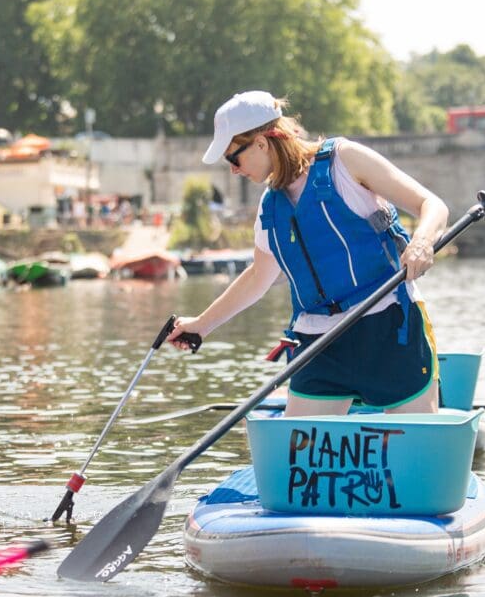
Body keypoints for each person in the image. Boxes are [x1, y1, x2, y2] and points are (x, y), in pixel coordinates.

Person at [168, 91, 449, 416]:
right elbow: (258, 278)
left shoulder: (346, 161)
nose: (233, 170)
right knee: (299, 458)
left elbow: (432, 205)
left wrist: (422, 242)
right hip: (318, 341)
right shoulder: (270, 208)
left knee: (414, 453)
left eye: (234, 158)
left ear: (261, 143)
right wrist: (201, 325)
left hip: (387, 324)